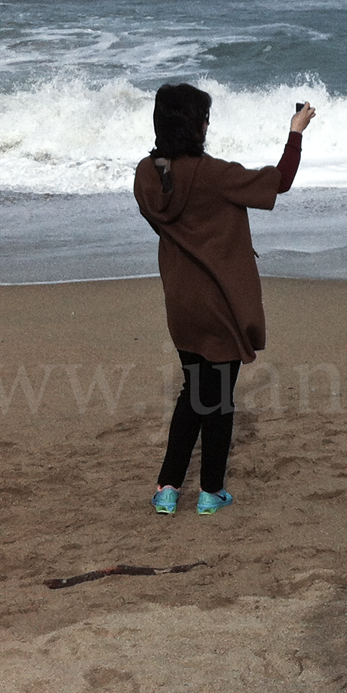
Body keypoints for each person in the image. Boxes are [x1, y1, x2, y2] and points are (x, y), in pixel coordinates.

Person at [135, 83, 315, 516]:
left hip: (180, 304)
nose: (208, 124)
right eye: (205, 117)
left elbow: (168, 214)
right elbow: (280, 181)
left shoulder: (146, 174)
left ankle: (167, 488)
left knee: (193, 392)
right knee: (218, 400)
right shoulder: (214, 174)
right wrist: (296, 130)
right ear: (195, 125)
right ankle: (211, 490)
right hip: (220, 306)